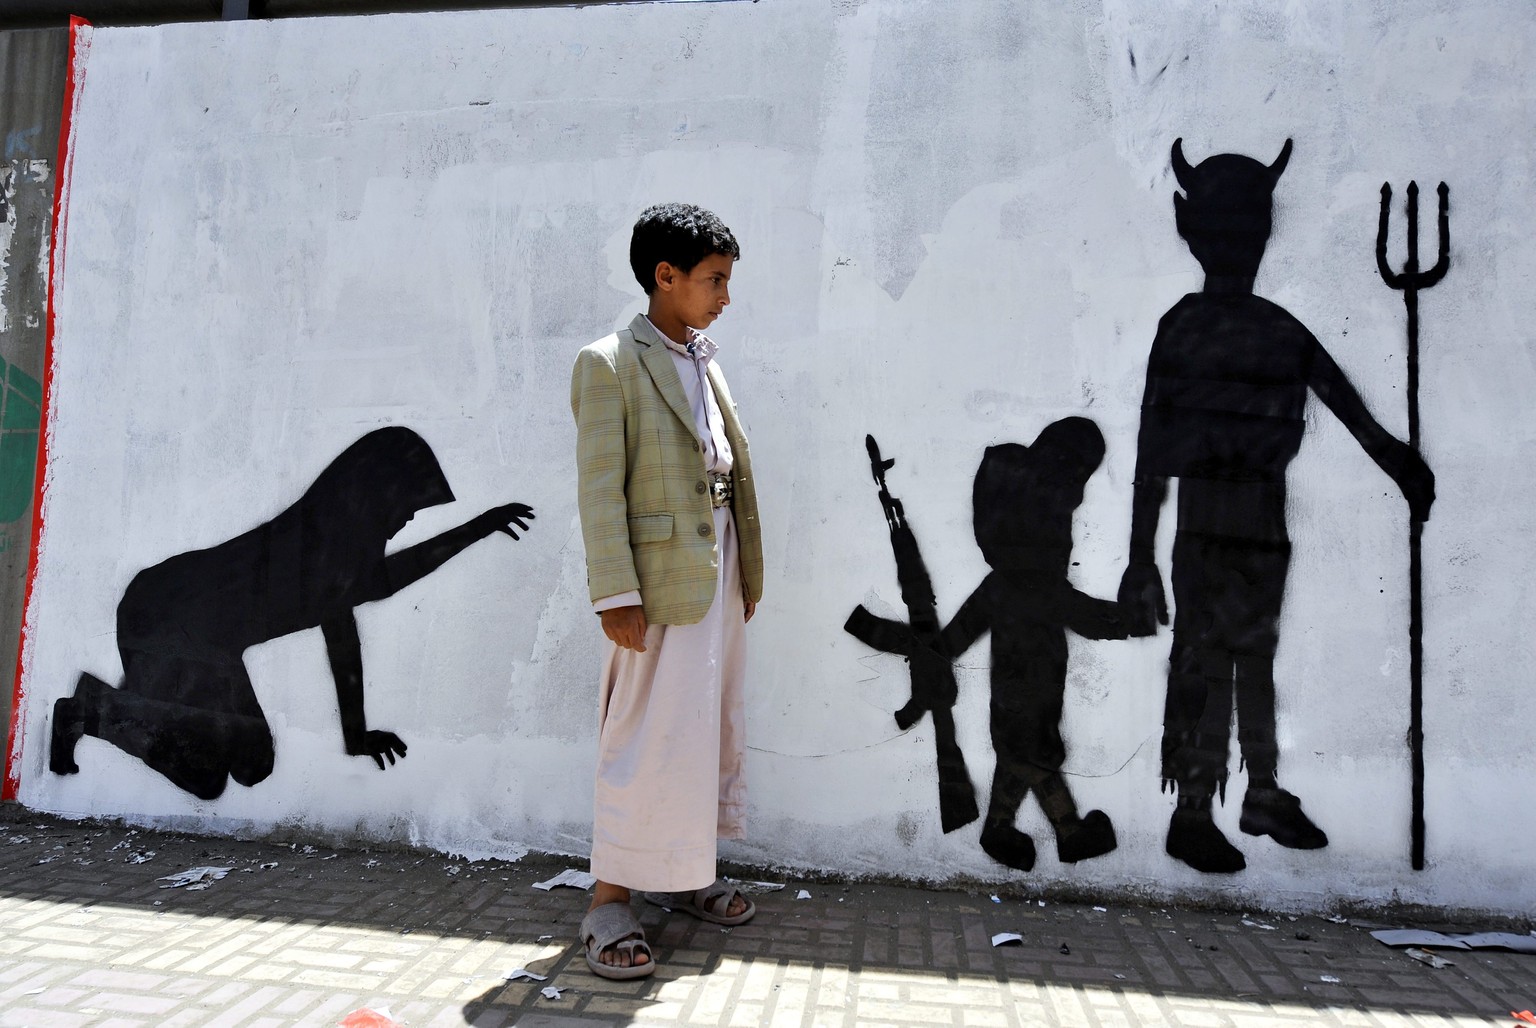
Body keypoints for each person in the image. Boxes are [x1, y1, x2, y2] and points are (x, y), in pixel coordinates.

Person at [1118, 140, 1435, 873]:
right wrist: (1139, 557)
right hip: (1214, 527)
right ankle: (1195, 809)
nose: (1242, 244)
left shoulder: (1268, 329)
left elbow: (1347, 407)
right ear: (1193, 228)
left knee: (1247, 658)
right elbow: (1151, 450)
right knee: (1209, 660)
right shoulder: (1198, 329)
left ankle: (1259, 791)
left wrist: (1399, 463)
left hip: (1258, 527)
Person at [49, 426, 534, 800]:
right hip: (164, 612)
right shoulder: (323, 550)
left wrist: (477, 529)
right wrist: (355, 734)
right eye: (406, 506)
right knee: (207, 778)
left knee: (253, 764)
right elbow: (354, 629)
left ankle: (123, 710)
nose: (406, 518)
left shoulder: (334, 552)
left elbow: (371, 597)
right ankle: (90, 710)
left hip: (204, 635)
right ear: (376, 493)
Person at [570, 203, 765, 979]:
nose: (724, 295)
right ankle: (608, 900)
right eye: (714, 280)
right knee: (643, 732)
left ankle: (687, 876)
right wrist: (616, 593)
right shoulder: (609, 363)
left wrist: (747, 565)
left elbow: (723, 466)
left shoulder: (703, 358)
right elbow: (599, 490)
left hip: (717, 565)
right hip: (654, 582)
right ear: (666, 276)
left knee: (704, 725)